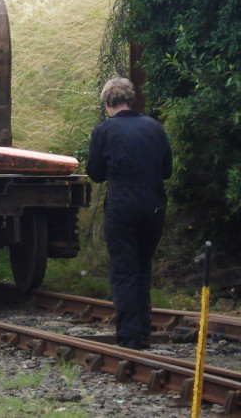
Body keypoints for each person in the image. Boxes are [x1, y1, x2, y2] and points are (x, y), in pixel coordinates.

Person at [86, 77, 173, 350]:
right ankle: (144, 330)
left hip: (122, 208)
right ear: (131, 99)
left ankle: (130, 337)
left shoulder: (104, 131)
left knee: (124, 270)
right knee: (142, 266)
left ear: (107, 103)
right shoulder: (154, 128)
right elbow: (167, 170)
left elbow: (95, 173)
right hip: (153, 207)